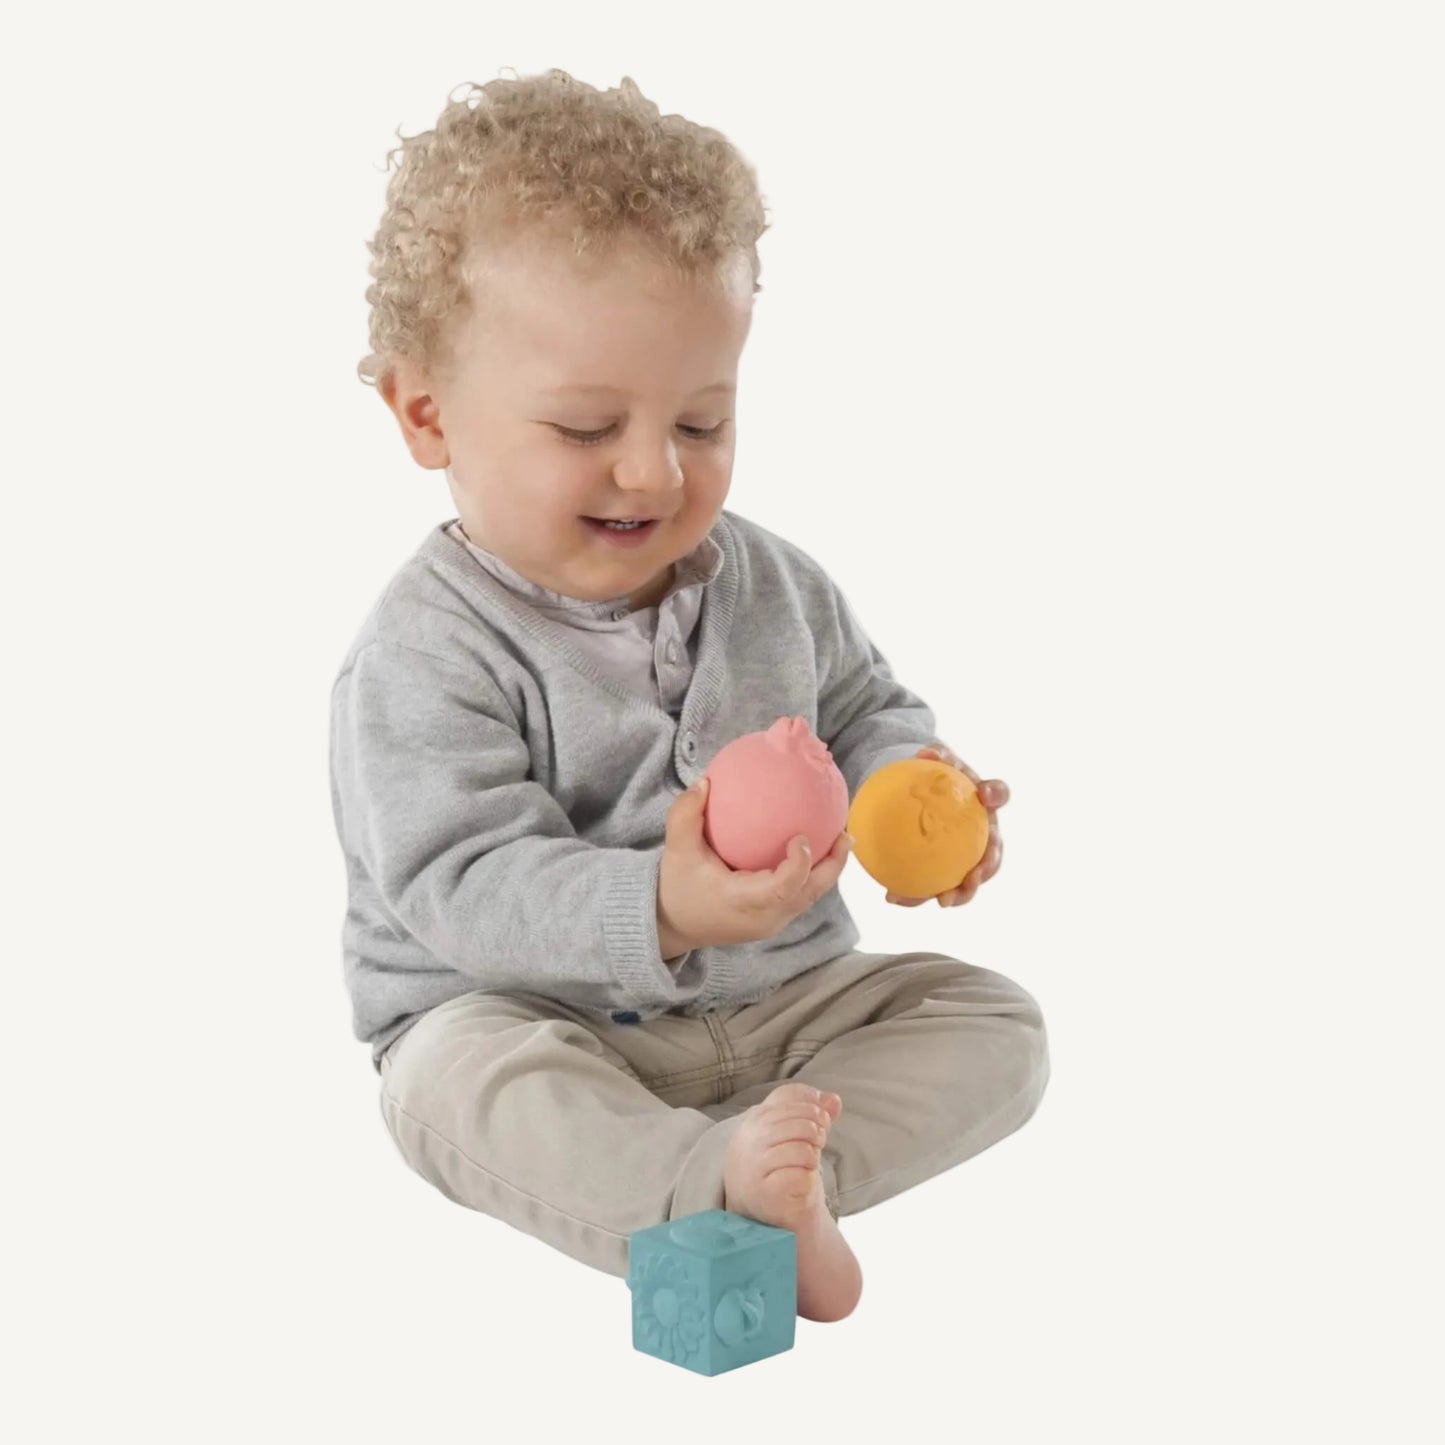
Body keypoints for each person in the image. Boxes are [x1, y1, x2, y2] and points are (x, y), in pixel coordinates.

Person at [329, 69, 1049, 1322]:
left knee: (994, 1021)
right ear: (425, 411)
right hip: (540, 1020)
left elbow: (864, 702)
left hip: (778, 1008)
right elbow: (460, 883)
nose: (652, 468)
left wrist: (909, 788)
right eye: (583, 425)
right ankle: (696, 1187)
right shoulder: (423, 653)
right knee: (452, 1083)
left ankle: (779, 1175)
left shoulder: (769, 578)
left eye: (703, 421)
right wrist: (658, 901)